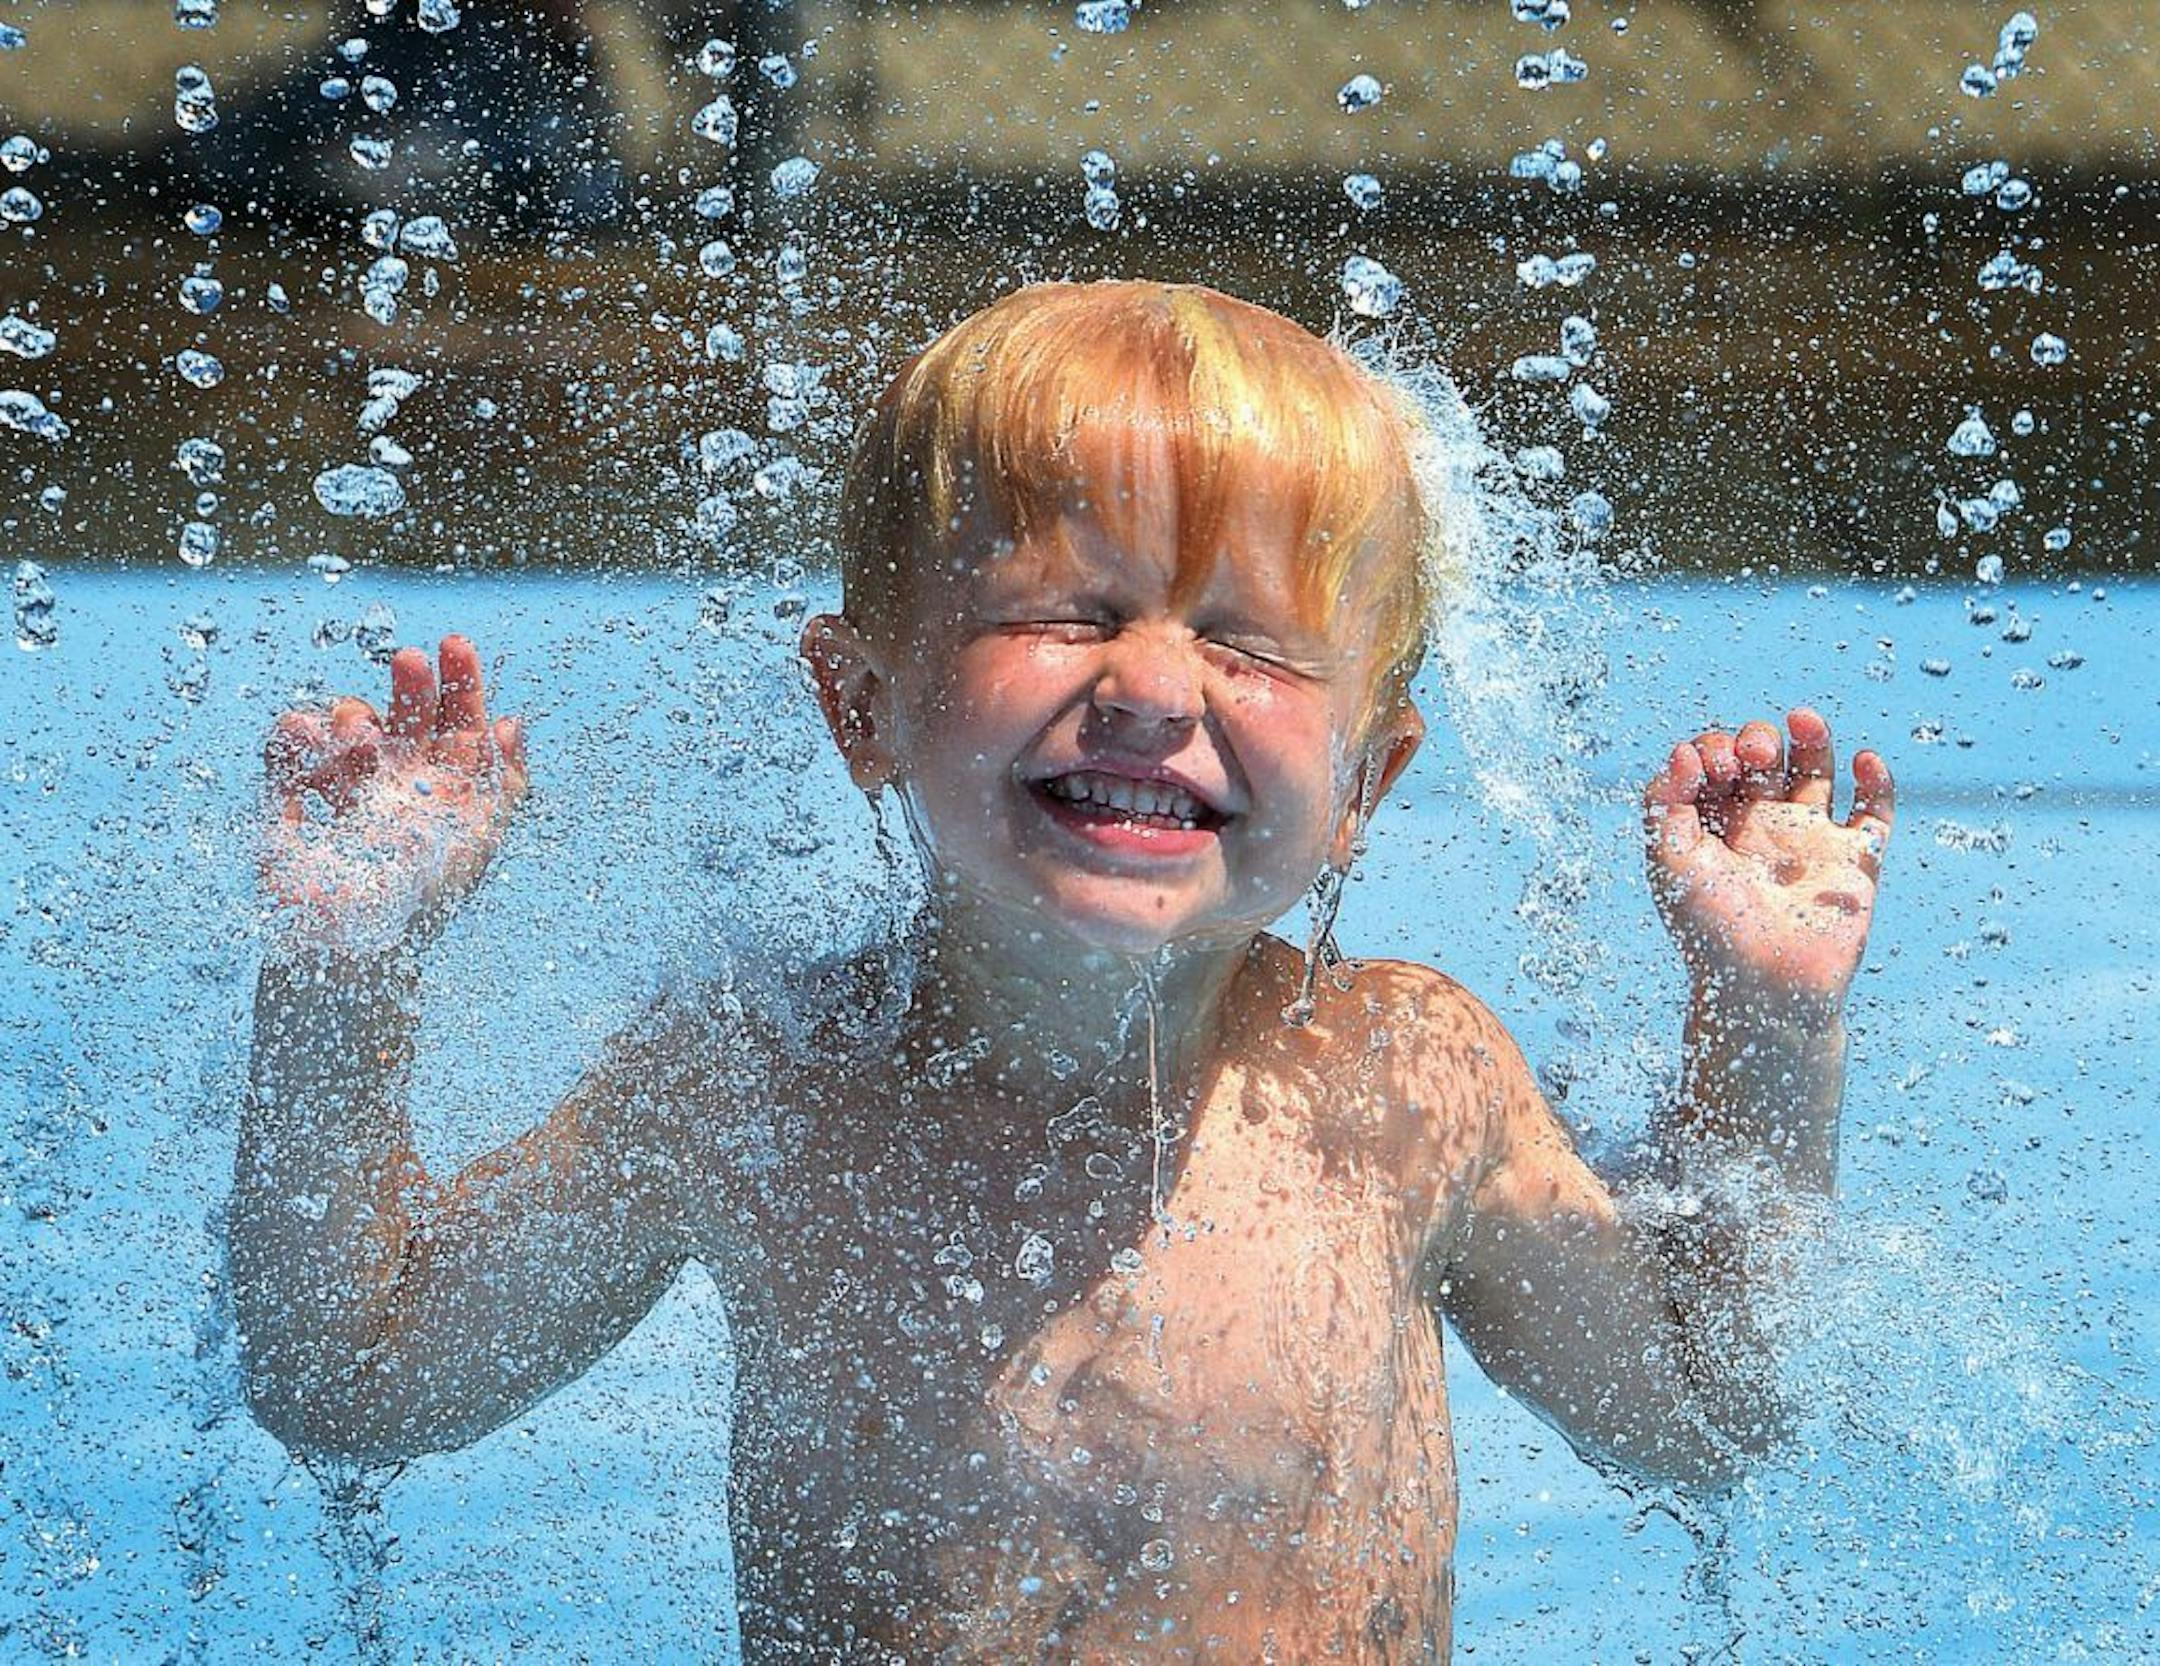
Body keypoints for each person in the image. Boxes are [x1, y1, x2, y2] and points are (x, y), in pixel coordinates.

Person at [232, 280, 1896, 1661]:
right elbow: (355, 1378)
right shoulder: (752, 1083)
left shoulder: (1404, 1086)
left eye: (1246, 643)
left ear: (1370, 787)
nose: (1157, 689)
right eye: (1074, 609)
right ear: (861, 704)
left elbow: (1699, 1411)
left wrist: (1766, 1024)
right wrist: (343, 979)